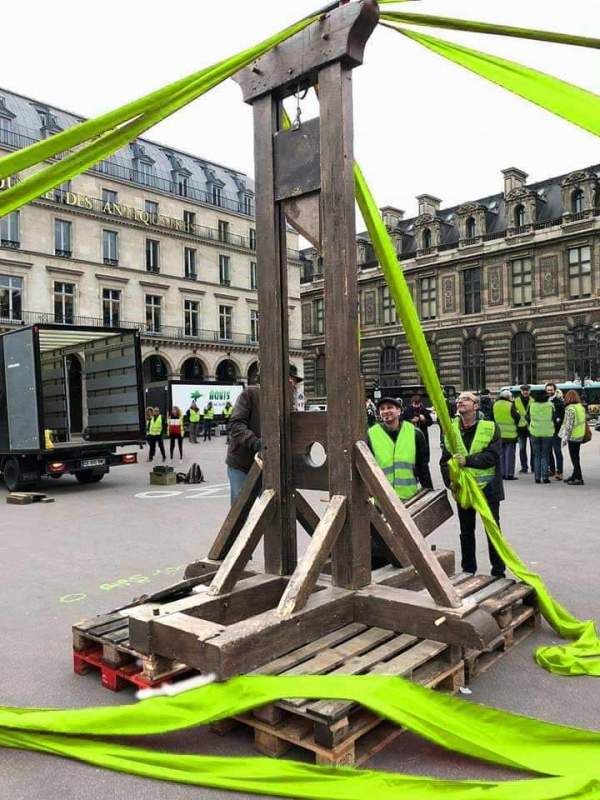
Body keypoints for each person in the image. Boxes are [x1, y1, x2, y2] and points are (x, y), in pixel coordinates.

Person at [440, 391, 505, 577]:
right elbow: (445, 461)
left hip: (488, 489)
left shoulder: (490, 427)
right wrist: (450, 482)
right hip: (464, 490)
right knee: (466, 532)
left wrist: (466, 461)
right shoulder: (450, 430)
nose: (460, 401)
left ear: (476, 406)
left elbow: (492, 457)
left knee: (493, 531)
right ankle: (468, 570)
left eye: (466, 399)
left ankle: (498, 571)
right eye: (459, 399)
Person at [226, 365, 303, 504]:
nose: (294, 386)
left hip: (269, 466)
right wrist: (255, 442)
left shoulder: (287, 403)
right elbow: (235, 425)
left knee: (273, 507)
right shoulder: (250, 394)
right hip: (242, 464)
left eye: (294, 383)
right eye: (291, 381)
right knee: (240, 510)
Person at [492, 389, 520, 480]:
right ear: (508, 397)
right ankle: (509, 474)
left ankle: (502, 473)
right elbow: (517, 417)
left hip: (499, 433)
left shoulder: (495, 404)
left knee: (501, 455)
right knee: (510, 455)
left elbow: (492, 417)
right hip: (510, 434)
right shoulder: (510, 405)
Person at [560, 390, 587, 485]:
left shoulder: (570, 409)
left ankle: (579, 478)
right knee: (576, 457)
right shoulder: (581, 407)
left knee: (574, 458)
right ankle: (575, 475)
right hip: (580, 435)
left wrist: (564, 439)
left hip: (573, 436)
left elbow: (568, 425)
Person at [527, 393, 554, 484]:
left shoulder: (532, 406)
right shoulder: (550, 405)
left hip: (534, 432)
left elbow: (527, 418)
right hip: (547, 432)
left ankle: (537, 477)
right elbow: (554, 417)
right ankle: (545, 477)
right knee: (545, 455)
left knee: (536, 455)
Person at [402, 394, 433, 462]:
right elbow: (401, 422)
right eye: (414, 404)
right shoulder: (407, 410)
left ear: (420, 403)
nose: (416, 406)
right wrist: (411, 421)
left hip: (423, 435)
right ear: (411, 402)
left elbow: (430, 422)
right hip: (409, 435)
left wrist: (424, 420)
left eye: (417, 404)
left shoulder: (424, 410)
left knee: (423, 455)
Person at [545, 382, 565, 480]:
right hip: (546, 431)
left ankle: (560, 472)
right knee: (548, 451)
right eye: (548, 390)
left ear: (555, 390)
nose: (549, 392)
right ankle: (552, 470)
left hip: (556, 431)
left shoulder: (559, 402)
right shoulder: (544, 401)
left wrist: (558, 421)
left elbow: (562, 416)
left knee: (557, 451)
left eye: (551, 390)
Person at [514, 385, 531, 473]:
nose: (525, 392)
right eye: (524, 390)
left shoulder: (533, 400)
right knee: (522, 448)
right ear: (521, 391)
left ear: (529, 391)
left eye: (527, 390)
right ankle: (524, 467)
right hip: (520, 428)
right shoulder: (516, 401)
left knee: (534, 449)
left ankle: (534, 466)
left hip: (531, 427)